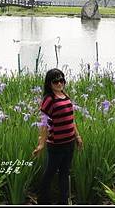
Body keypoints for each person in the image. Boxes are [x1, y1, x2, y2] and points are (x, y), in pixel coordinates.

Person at [32, 68, 83, 205]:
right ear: (49, 84)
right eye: (55, 81)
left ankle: (64, 201)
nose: (59, 83)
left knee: (65, 173)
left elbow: (71, 119)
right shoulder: (49, 100)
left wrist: (77, 137)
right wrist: (41, 144)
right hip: (56, 145)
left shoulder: (66, 96)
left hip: (69, 143)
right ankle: (42, 200)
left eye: (61, 80)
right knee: (49, 174)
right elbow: (44, 124)